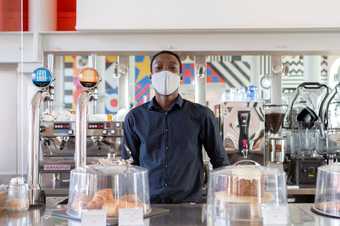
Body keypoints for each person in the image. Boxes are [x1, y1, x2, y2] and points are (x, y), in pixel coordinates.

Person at [121, 50, 229, 203]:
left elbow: (220, 162)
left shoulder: (202, 115)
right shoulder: (134, 118)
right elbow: (129, 167)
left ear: (180, 78)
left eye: (172, 68)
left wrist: (224, 203)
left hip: (190, 205)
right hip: (147, 204)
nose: (165, 73)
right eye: (159, 68)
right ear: (151, 78)